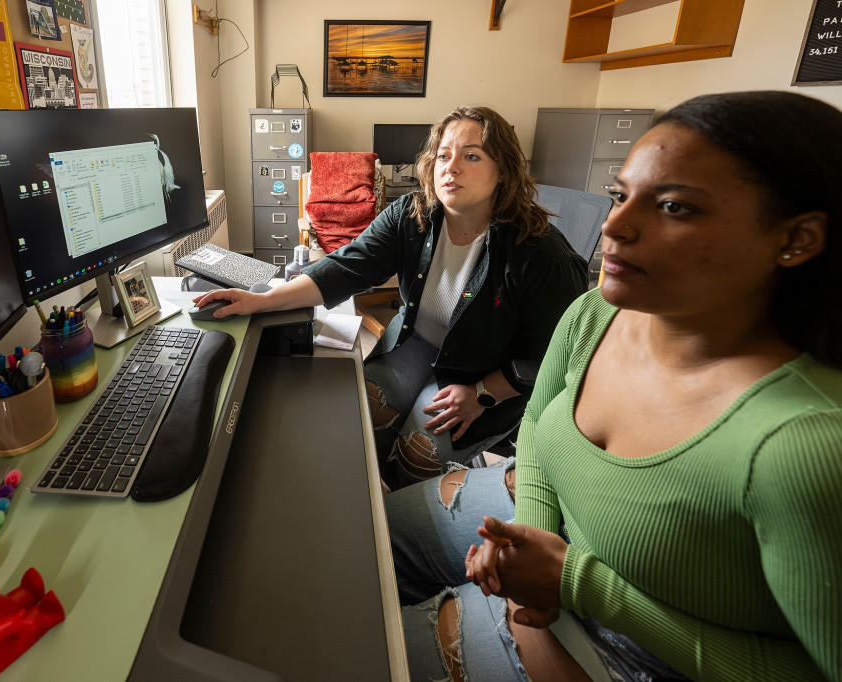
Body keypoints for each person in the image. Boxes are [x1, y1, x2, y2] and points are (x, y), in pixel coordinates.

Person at [388, 90, 842, 681]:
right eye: (620, 196)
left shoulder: (806, 447)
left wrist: (573, 586)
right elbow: (538, 429)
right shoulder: (594, 315)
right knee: (370, 538)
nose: (613, 227)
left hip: (626, 646)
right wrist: (529, 541)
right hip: (545, 522)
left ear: (797, 238)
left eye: (675, 207)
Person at [193, 105, 587, 489]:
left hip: (484, 376)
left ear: (503, 172)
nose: (452, 167)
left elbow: (551, 357)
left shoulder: (540, 254)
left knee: (417, 455)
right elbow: (346, 267)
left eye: (472, 156)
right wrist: (259, 300)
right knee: (357, 416)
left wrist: (482, 395)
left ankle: (400, 533)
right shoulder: (412, 215)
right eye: (444, 155)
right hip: (415, 344)